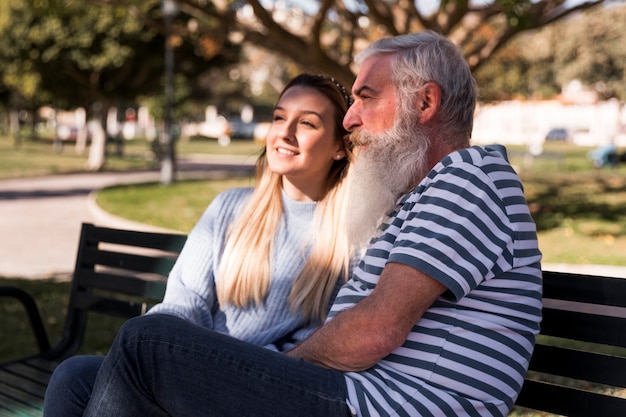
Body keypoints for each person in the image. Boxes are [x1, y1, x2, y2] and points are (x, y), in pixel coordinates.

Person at [66, 30, 543, 417]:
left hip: (388, 406)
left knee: (145, 341)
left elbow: (376, 331)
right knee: (80, 380)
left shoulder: (469, 179)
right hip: (357, 396)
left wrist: (265, 371)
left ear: (425, 102)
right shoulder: (427, 194)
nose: (351, 119)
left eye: (365, 97)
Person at [43, 73, 355, 416]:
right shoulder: (231, 207)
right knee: (73, 376)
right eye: (279, 117)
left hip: (270, 386)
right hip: (194, 368)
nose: (285, 132)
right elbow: (186, 298)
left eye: (307, 123)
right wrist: (158, 346)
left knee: (138, 344)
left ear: (340, 147)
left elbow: (326, 341)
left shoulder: (351, 235)